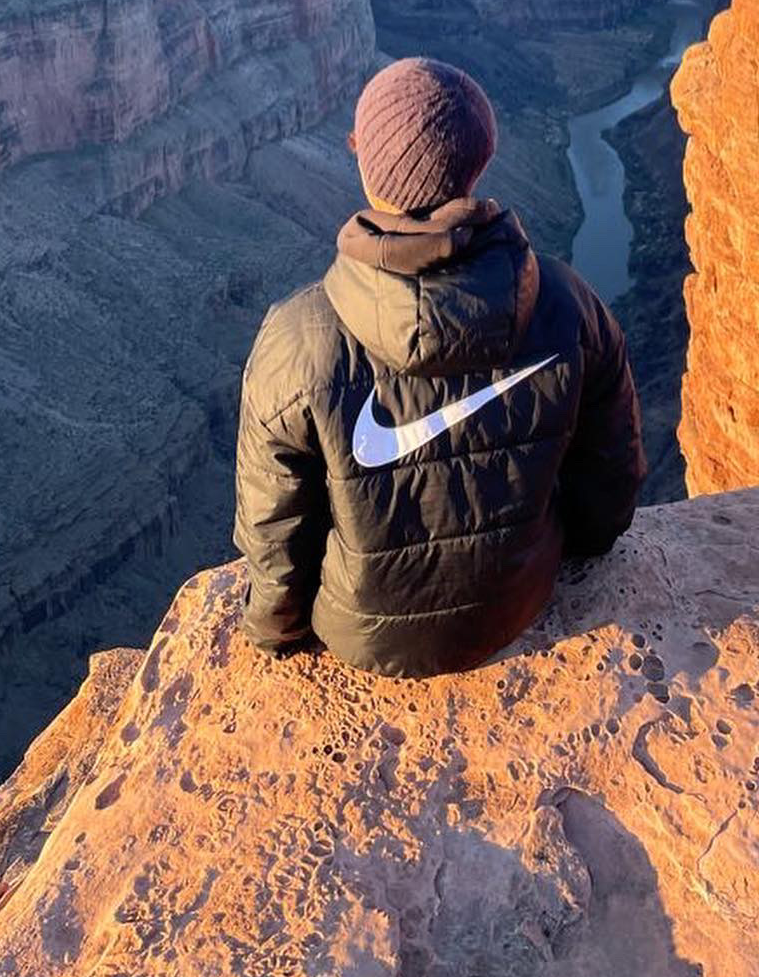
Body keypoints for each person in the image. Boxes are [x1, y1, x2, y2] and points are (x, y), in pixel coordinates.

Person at [233, 56, 645, 675]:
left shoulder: (297, 342)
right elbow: (610, 486)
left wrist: (274, 633)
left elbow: (276, 530)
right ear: (481, 159)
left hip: (360, 637)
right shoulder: (568, 303)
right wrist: (568, 551)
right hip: (521, 602)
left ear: (364, 162)